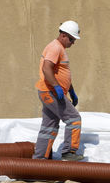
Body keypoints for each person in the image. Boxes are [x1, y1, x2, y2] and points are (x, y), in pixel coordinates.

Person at [33, 20, 84, 160]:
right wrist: (56, 87)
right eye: (72, 39)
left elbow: (61, 73)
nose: (73, 43)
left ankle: (40, 159)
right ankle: (69, 152)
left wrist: (71, 91)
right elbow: (46, 68)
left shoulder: (59, 49)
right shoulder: (55, 47)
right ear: (63, 35)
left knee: (49, 126)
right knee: (74, 119)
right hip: (51, 92)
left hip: (49, 92)